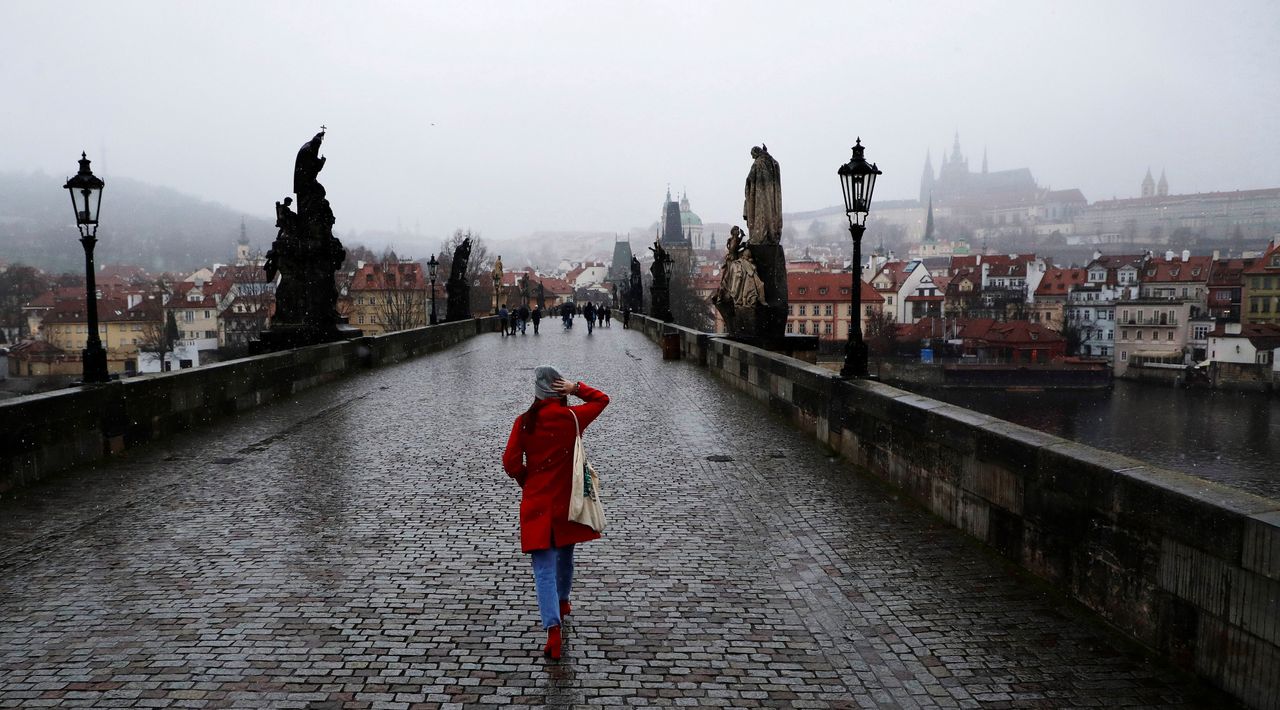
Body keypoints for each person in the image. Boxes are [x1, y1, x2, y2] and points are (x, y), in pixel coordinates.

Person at [503, 367, 610, 659]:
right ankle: (563, 602)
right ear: (558, 391)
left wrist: (528, 480)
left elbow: (510, 462)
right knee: (565, 555)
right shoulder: (572, 418)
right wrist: (576, 388)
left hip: (538, 504)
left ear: (537, 393)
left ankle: (553, 630)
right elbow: (602, 400)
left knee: (544, 568)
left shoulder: (524, 423)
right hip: (567, 502)